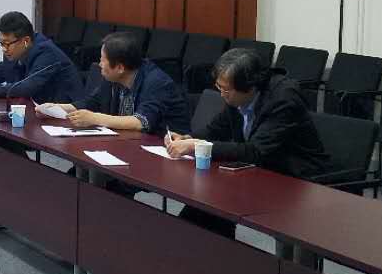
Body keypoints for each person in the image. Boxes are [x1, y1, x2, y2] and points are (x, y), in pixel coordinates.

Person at [165, 48, 328, 236]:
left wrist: (196, 146)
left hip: (297, 179)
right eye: (219, 87)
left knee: (214, 199)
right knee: (204, 206)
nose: (222, 94)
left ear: (250, 87)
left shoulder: (283, 99)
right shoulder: (237, 96)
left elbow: (256, 151)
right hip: (259, 171)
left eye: (226, 89)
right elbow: (215, 130)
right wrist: (188, 138)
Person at [42, 30, 189, 136]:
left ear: (119, 68)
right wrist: (56, 108)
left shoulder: (156, 82)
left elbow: (141, 122)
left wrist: (94, 118)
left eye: (102, 60)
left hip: (165, 148)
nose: (99, 64)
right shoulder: (113, 78)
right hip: (129, 141)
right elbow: (92, 102)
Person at [0, 11, 83, 104]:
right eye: (1, 43)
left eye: (7, 44)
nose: (4, 49)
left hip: (65, 112)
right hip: (37, 108)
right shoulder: (13, 51)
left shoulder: (46, 53)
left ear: (26, 41)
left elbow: (27, 86)